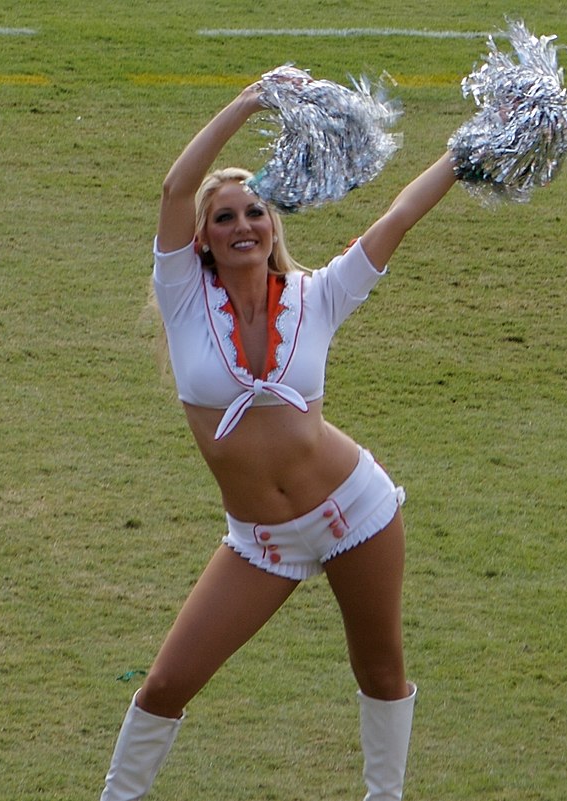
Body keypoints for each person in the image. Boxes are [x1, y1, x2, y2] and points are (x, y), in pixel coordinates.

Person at [99, 78, 461, 801]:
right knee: (169, 681)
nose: (243, 224)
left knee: (381, 672)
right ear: (203, 238)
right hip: (262, 541)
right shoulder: (183, 297)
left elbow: (400, 215)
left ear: (273, 226)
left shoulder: (318, 294)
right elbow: (176, 188)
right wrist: (250, 102)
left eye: (255, 211)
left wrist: (466, 151)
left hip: (356, 510)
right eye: (225, 216)